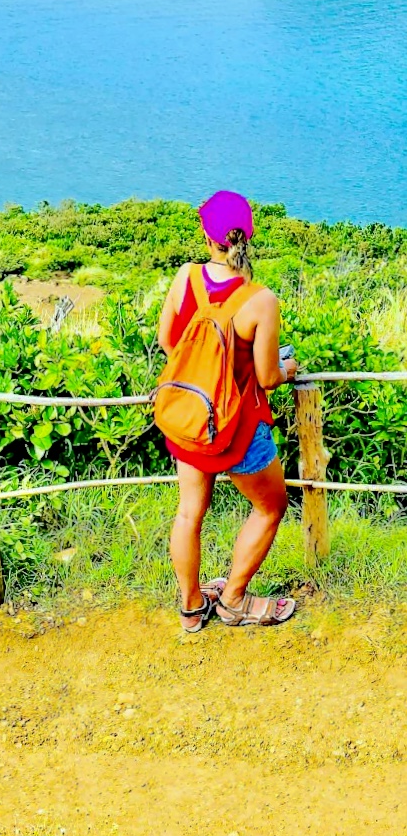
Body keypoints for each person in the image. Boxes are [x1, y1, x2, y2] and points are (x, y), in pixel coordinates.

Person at [157, 190, 299, 630]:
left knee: (188, 513)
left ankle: (191, 608)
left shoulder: (185, 277)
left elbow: (167, 341)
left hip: (190, 418)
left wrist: (203, 376)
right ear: (247, 238)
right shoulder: (260, 300)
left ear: (207, 237)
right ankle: (234, 599)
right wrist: (288, 368)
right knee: (271, 506)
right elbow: (267, 377)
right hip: (239, 427)